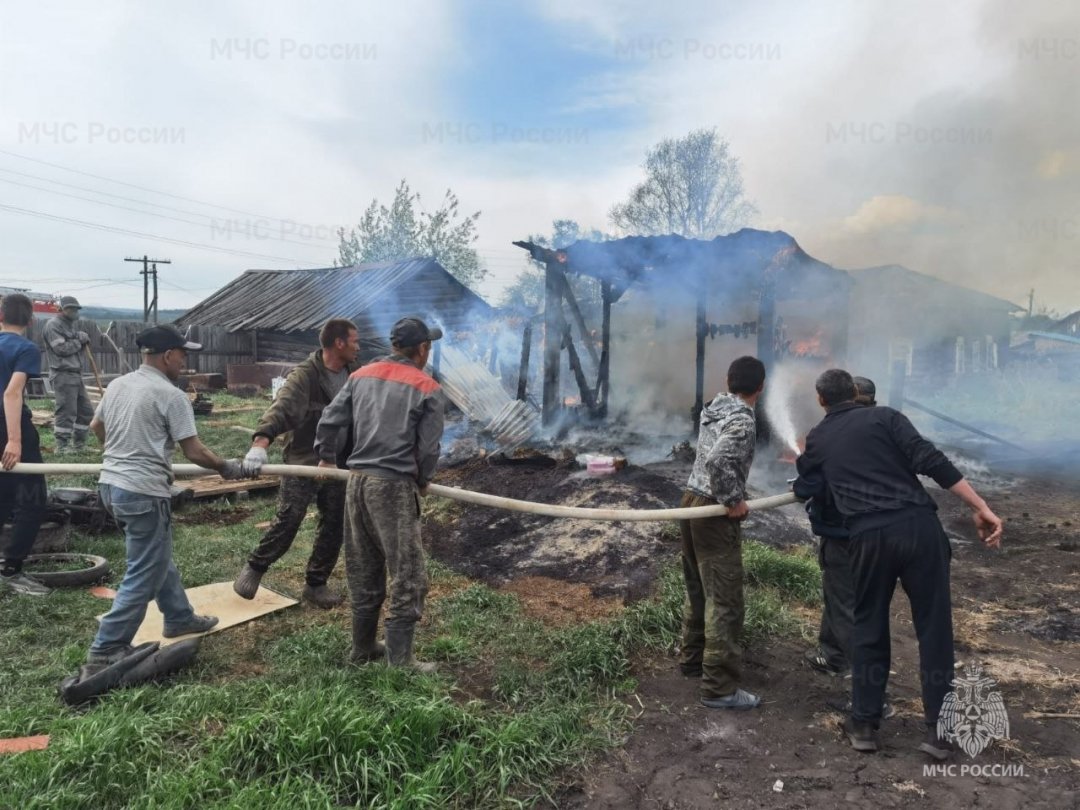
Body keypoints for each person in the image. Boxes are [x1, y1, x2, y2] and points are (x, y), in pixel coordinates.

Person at [796, 369, 1003, 758]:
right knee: (934, 629)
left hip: (870, 538)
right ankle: (940, 733)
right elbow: (932, 461)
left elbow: (808, 485)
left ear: (821, 400)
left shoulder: (820, 437)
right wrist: (981, 507)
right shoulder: (887, 417)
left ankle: (864, 725)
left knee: (869, 625)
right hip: (920, 529)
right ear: (856, 394)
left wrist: (805, 476)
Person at [83, 325, 253, 672]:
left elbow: (95, 427)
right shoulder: (170, 394)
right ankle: (107, 647)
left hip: (111, 488)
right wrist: (227, 468)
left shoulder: (118, 384)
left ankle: (179, 617)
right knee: (144, 570)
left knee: (156, 556)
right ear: (167, 355)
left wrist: (120, 455)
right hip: (143, 492)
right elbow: (194, 451)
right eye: (182, 353)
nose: (185, 359)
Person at [314, 317, 445, 671]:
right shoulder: (427, 387)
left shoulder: (359, 376)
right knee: (409, 573)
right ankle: (400, 661)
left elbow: (329, 419)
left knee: (364, 565)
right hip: (392, 488)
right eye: (428, 347)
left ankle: (363, 646)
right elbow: (428, 449)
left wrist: (326, 457)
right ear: (422, 349)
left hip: (356, 482)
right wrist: (423, 480)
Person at [233, 319, 362, 608]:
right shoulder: (305, 376)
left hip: (339, 462)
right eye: (355, 340)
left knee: (335, 524)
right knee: (290, 518)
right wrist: (260, 442)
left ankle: (316, 585)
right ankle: (255, 567)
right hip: (303, 460)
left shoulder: (354, 373)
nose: (359, 346)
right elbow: (281, 409)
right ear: (338, 343)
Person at [678, 355, 766, 710]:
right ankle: (719, 688)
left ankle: (692, 659)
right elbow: (718, 461)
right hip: (712, 509)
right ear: (761, 387)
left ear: (729, 381)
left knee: (698, 587)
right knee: (725, 598)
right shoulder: (742, 419)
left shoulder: (713, 407)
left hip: (690, 499)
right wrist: (733, 500)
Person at [799, 375, 876, 677]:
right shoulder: (883, 427)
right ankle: (831, 655)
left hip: (846, 532)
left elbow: (809, 484)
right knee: (841, 594)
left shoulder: (829, 434)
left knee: (846, 604)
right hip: (876, 532)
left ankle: (867, 690)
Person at [0, 294, 50, 596]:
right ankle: (11, 570)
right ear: (31, 321)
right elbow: (11, 394)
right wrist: (15, 440)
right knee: (32, 499)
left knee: (4, 495)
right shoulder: (26, 348)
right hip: (10, 428)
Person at [42, 296, 95, 453]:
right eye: (70, 308)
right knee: (66, 411)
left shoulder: (69, 325)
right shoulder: (53, 326)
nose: (74, 312)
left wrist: (79, 335)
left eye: (76, 309)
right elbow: (62, 349)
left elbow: (71, 338)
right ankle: (62, 447)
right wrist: (79, 341)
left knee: (86, 411)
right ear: (61, 309)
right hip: (62, 374)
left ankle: (79, 445)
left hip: (75, 374)